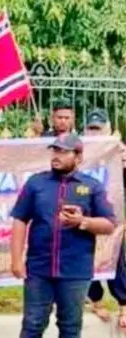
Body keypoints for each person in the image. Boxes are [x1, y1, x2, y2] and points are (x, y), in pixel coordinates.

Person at [10, 133, 117, 338]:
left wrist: (83, 222)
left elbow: (109, 224)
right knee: (32, 325)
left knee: (70, 327)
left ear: (78, 157)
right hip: (39, 269)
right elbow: (20, 219)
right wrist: (16, 260)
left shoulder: (92, 187)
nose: (56, 156)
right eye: (55, 150)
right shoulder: (36, 183)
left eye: (63, 151)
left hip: (75, 271)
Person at [82, 109, 126, 329]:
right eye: (91, 129)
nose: (95, 133)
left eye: (99, 129)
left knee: (117, 259)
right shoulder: (78, 153)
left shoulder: (117, 153)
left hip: (112, 218)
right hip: (86, 218)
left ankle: (124, 307)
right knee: (89, 260)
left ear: (108, 130)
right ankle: (96, 302)